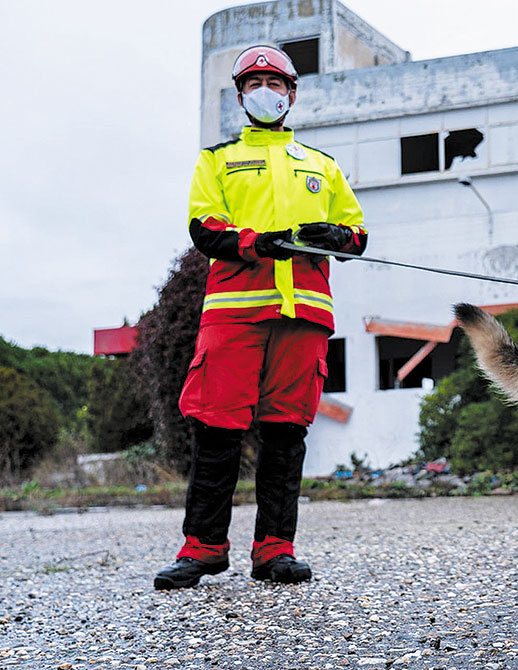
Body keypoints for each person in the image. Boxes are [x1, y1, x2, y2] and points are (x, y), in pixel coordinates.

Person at [154, 45, 367, 590]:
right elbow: (205, 230)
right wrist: (257, 243)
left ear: (292, 94)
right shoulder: (216, 160)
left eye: (274, 84)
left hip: (305, 314)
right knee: (216, 429)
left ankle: (275, 549)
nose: (265, 92)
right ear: (240, 96)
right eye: (254, 84)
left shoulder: (323, 166)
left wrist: (336, 235)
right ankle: (203, 548)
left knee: (286, 434)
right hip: (234, 314)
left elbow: (357, 234)